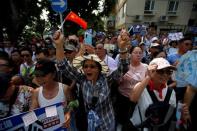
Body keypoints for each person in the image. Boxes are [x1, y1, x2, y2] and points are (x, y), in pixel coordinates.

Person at [53, 30, 130, 131]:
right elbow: (63, 66)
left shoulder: (107, 79)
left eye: (92, 66)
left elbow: (123, 69)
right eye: (85, 66)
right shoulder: (82, 79)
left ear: (99, 69)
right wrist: (59, 45)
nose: (88, 69)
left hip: (107, 125)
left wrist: (123, 48)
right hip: (91, 126)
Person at [130, 58, 177, 131]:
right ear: (151, 71)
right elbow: (133, 98)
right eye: (160, 71)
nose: (165, 75)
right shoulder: (142, 87)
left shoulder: (171, 92)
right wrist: (148, 77)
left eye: (168, 71)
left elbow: (170, 114)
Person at [30, 59, 72, 128]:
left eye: (43, 75)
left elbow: (73, 103)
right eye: (37, 75)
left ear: (53, 74)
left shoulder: (65, 89)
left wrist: (68, 113)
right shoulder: (36, 92)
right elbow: (32, 112)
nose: (39, 79)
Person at [115, 46, 148, 131]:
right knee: (121, 120)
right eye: (135, 52)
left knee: (133, 121)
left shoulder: (145, 67)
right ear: (130, 54)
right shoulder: (125, 66)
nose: (138, 55)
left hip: (137, 99)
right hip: (123, 98)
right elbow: (117, 81)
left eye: (140, 53)